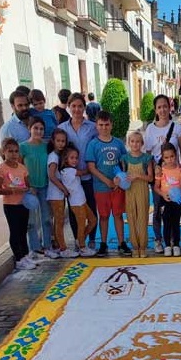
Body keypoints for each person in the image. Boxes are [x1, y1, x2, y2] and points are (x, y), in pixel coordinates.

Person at [85, 110, 132, 257]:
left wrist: (120, 179)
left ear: (111, 125)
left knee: (118, 215)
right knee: (104, 216)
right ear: (96, 126)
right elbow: (91, 167)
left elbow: (124, 162)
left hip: (117, 188)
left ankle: (121, 243)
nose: (104, 127)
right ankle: (103, 243)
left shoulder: (118, 143)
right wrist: (107, 181)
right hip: (101, 188)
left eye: (107, 124)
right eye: (101, 125)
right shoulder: (93, 144)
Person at [144, 94, 181, 253]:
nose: (162, 110)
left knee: (174, 209)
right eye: (159, 107)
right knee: (158, 209)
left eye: (165, 106)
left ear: (170, 107)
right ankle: (158, 239)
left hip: (174, 176)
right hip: (159, 175)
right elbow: (148, 154)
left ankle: (173, 240)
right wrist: (153, 170)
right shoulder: (150, 129)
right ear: (155, 109)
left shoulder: (177, 127)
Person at [59, 93, 98, 250]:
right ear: (69, 107)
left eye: (80, 106)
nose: (76, 109)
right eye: (73, 106)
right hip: (70, 179)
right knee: (75, 211)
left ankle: (91, 240)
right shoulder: (61, 128)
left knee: (90, 208)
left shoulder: (92, 127)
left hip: (87, 176)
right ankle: (77, 239)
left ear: (84, 107)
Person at [0, 138, 35, 270]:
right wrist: (14, 190)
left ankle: (25, 255)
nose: (13, 154)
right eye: (10, 151)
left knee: (23, 230)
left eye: (16, 151)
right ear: (3, 152)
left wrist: (29, 189)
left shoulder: (22, 167)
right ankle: (19, 259)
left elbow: (27, 184)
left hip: (23, 203)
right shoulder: (1, 169)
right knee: (15, 231)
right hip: (10, 205)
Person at [19, 117, 54, 260]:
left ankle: (48, 246)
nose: (38, 131)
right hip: (30, 188)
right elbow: (19, 168)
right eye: (35, 128)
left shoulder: (46, 146)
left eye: (41, 128)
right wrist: (27, 186)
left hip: (45, 186)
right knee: (32, 221)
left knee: (46, 218)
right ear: (29, 129)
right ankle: (35, 247)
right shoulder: (23, 147)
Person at [117, 131, 153, 258]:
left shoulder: (146, 158)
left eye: (138, 141)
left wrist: (137, 175)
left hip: (142, 190)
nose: (135, 144)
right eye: (132, 141)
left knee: (143, 218)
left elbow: (150, 178)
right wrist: (117, 179)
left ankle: (142, 247)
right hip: (129, 191)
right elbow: (121, 175)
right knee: (131, 218)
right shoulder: (124, 158)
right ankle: (135, 247)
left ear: (142, 143)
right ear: (128, 143)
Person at [46, 128, 79, 259]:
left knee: (59, 220)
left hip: (58, 194)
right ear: (53, 141)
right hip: (55, 194)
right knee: (59, 221)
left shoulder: (59, 155)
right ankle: (63, 248)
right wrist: (63, 189)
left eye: (63, 141)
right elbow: (52, 176)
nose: (61, 143)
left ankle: (59, 246)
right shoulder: (53, 156)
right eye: (58, 141)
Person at [60, 145, 97, 257]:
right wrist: (92, 167)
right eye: (72, 158)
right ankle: (82, 247)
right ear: (66, 159)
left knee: (93, 220)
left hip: (82, 201)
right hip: (76, 203)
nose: (75, 160)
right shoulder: (67, 171)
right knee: (81, 224)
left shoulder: (72, 170)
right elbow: (83, 173)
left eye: (76, 158)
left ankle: (80, 240)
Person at [154, 143, 181, 257]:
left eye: (172, 156)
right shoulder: (161, 171)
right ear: (162, 158)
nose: (170, 160)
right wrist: (163, 194)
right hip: (166, 201)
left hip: (177, 202)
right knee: (167, 224)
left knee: (176, 224)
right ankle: (167, 245)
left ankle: (177, 244)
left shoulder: (180, 170)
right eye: (166, 157)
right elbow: (156, 187)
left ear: (176, 155)